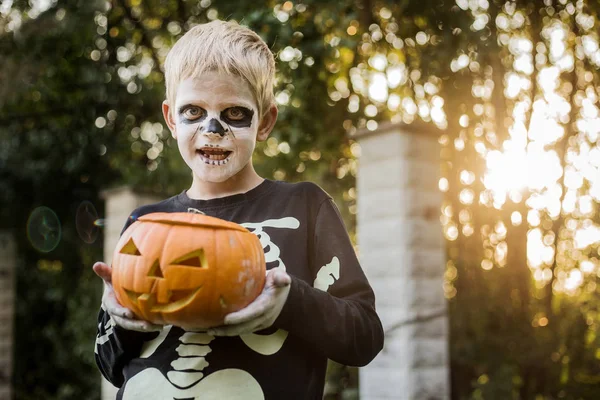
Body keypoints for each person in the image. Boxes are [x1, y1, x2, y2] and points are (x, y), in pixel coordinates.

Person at [93, 19, 384, 400]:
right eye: (193, 111)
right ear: (170, 119)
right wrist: (126, 319)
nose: (212, 130)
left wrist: (289, 302)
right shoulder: (145, 224)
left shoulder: (305, 207)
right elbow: (109, 361)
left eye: (234, 114)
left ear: (264, 122)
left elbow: (364, 336)